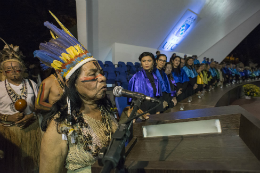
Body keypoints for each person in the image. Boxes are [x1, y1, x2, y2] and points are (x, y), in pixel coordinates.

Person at [37, 11, 119, 173]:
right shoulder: (60, 127)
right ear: (72, 83)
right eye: (92, 75)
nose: (102, 78)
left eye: (101, 73)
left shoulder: (105, 111)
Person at [0, 39, 40, 173]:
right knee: (11, 166)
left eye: (17, 69)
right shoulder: (0, 87)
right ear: (4, 72)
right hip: (10, 134)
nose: (13, 72)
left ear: (22, 69)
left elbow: (40, 107)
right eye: (9, 70)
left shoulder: (31, 84)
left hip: (31, 131)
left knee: (31, 167)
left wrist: (32, 115)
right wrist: (7, 117)